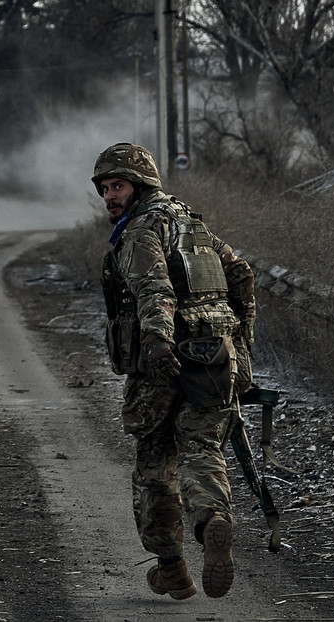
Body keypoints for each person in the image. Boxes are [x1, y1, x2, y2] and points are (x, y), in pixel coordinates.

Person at [92, 142, 255, 600]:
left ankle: (171, 566)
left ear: (140, 185)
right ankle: (213, 521)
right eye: (104, 187)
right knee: (203, 448)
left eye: (118, 185)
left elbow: (154, 287)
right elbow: (241, 274)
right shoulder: (191, 223)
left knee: (154, 465)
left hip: (162, 365)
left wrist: (160, 341)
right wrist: (242, 346)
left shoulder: (141, 229)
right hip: (215, 359)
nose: (109, 195)